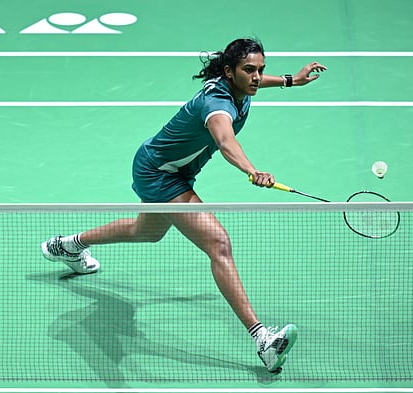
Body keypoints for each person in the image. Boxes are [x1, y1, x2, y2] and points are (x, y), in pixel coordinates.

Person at [41, 38, 327, 373]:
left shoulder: (240, 86)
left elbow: (255, 83)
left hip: (175, 170)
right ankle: (263, 340)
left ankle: (69, 246)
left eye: (260, 70)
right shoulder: (216, 104)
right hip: (160, 173)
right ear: (229, 72)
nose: (256, 77)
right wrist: (252, 170)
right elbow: (225, 141)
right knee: (219, 243)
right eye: (249, 70)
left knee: (146, 231)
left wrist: (291, 80)